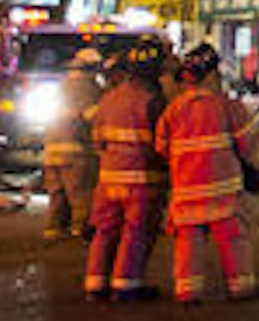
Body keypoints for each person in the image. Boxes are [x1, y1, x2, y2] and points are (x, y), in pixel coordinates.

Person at [156, 43, 259, 303]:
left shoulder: (172, 111)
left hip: (186, 192)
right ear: (211, 75)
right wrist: (258, 169)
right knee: (233, 239)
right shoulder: (227, 107)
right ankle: (241, 287)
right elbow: (248, 144)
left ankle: (187, 291)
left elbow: (161, 147)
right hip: (223, 193)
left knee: (188, 244)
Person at [84, 43, 169, 301]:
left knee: (105, 231)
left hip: (108, 180)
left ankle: (95, 284)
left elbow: (97, 140)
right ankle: (126, 283)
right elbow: (162, 144)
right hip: (142, 181)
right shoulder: (153, 101)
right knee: (136, 232)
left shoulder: (109, 98)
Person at [41, 48, 102, 243]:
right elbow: (95, 118)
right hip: (77, 152)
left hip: (51, 150)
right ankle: (79, 229)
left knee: (57, 193)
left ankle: (54, 229)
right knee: (80, 193)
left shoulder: (61, 86)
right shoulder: (88, 88)